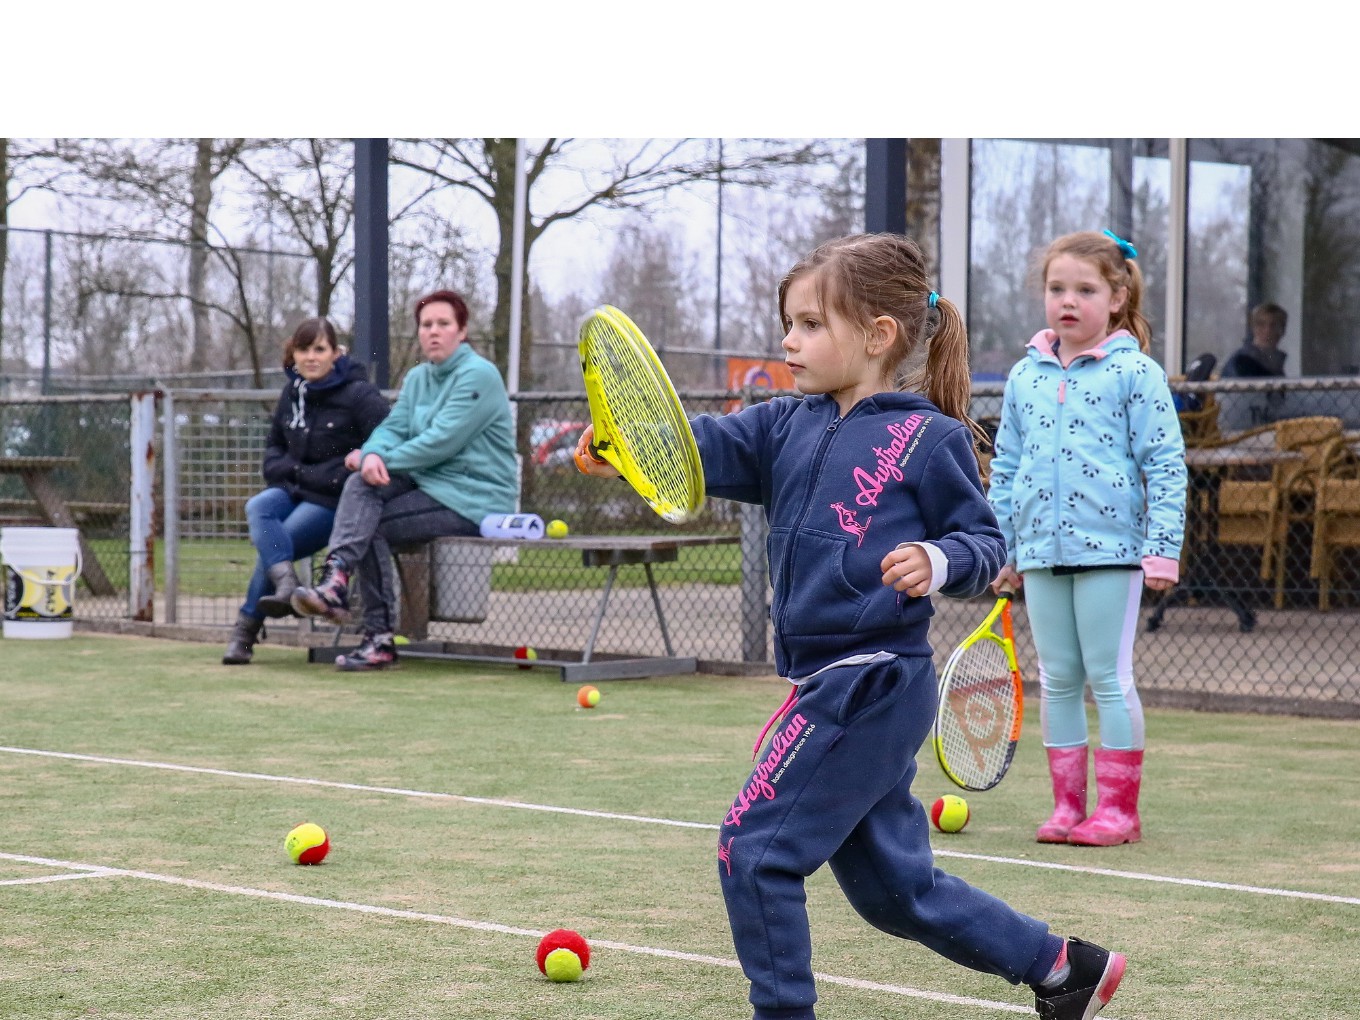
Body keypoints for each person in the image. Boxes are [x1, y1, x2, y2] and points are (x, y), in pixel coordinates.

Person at [574, 233, 1126, 1020]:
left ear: (877, 336)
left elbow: (984, 543)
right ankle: (1065, 968)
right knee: (897, 894)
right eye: (788, 323)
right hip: (825, 685)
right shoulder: (780, 426)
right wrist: (623, 444)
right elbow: (691, 446)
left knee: (752, 852)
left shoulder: (930, 437)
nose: (788, 342)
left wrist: (937, 560)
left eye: (808, 324)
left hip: (872, 684)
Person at [987, 229, 1187, 849]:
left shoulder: (1137, 373)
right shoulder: (1024, 375)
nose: (1067, 301)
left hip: (1113, 555)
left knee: (1109, 677)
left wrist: (1162, 549)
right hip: (1041, 555)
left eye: (1084, 289)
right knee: (1059, 677)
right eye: (1056, 289)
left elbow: (1166, 465)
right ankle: (1067, 807)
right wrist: (1003, 549)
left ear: (1118, 297)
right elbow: (1007, 466)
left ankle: (1120, 812)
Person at [289, 289, 518, 671]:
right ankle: (336, 580)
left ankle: (378, 637)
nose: (433, 332)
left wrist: (376, 459)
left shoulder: (479, 374)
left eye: (443, 324)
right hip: (429, 484)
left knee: (370, 522)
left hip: (474, 497)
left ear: (461, 331)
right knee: (361, 486)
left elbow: (440, 442)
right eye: (426, 324)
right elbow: (393, 427)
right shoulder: (418, 378)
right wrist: (374, 453)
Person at [223, 317, 390, 665]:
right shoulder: (292, 392)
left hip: (333, 500)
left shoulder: (359, 394)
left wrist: (317, 472)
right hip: (291, 489)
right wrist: (294, 471)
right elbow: (272, 453)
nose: (311, 357)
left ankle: (244, 633)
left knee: (275, 545)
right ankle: (286, 587)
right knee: (258, 508)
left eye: (319, 349)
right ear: (292, 354)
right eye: (303, 349)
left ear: (335, 353)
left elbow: (384, 442)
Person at [1220, 302, 1288, 378]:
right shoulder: (1242, 362)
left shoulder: (1276, 364)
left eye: (1274, 325)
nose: (1267, 331)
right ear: (1253, 328)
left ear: (1283, 330)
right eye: (1261, 324)